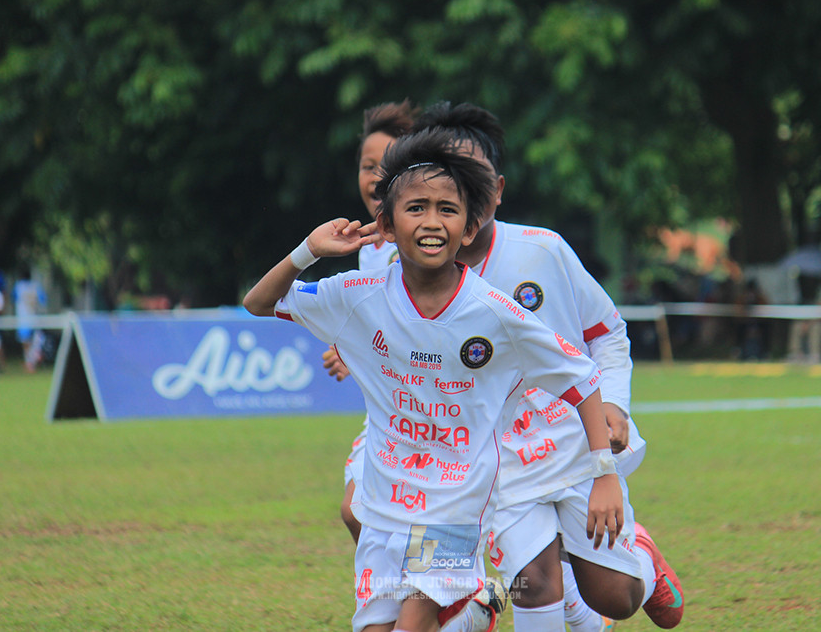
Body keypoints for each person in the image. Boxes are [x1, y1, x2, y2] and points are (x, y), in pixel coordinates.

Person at [243, 128, 623, 632]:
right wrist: (308, 250)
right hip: (382, 508)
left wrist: (605, 472)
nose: (431, 221)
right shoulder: (358, 292)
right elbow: (259, 303)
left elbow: (580, 377)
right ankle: (477, 607)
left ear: (468, 228)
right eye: (416, 207)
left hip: (454, 512)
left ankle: (471, 602)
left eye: (448, 209)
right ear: (386, 224)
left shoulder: (496, 313)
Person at [409, 102, 681, 631]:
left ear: (499, 188)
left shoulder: (544, 251)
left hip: (576, 445)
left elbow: (607, 333)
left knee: (617, 598)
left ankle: (641, 558)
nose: (467, 196)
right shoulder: (413, 271)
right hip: (498, 465)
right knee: (532, 581)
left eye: (478, 180)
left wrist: (617, 409)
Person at [330, 100, 419, 545]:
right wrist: (349, 351)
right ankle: (438, 601)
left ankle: (452, 598)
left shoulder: (432, 244)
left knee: (523, 543)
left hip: (443, 411)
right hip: (390, 413)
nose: (374, 176)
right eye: (367, 165)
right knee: (355, 511)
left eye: (387, 165)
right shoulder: (366, 250)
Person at [13, 268, 48, 372]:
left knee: (26, 342)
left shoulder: (18, 286)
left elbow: (13, 299)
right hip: (35, 317)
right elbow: (43, 301)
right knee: (36, 341)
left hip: (23, 318)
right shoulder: (36, 286)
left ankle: (30, 362)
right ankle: (32, 362)